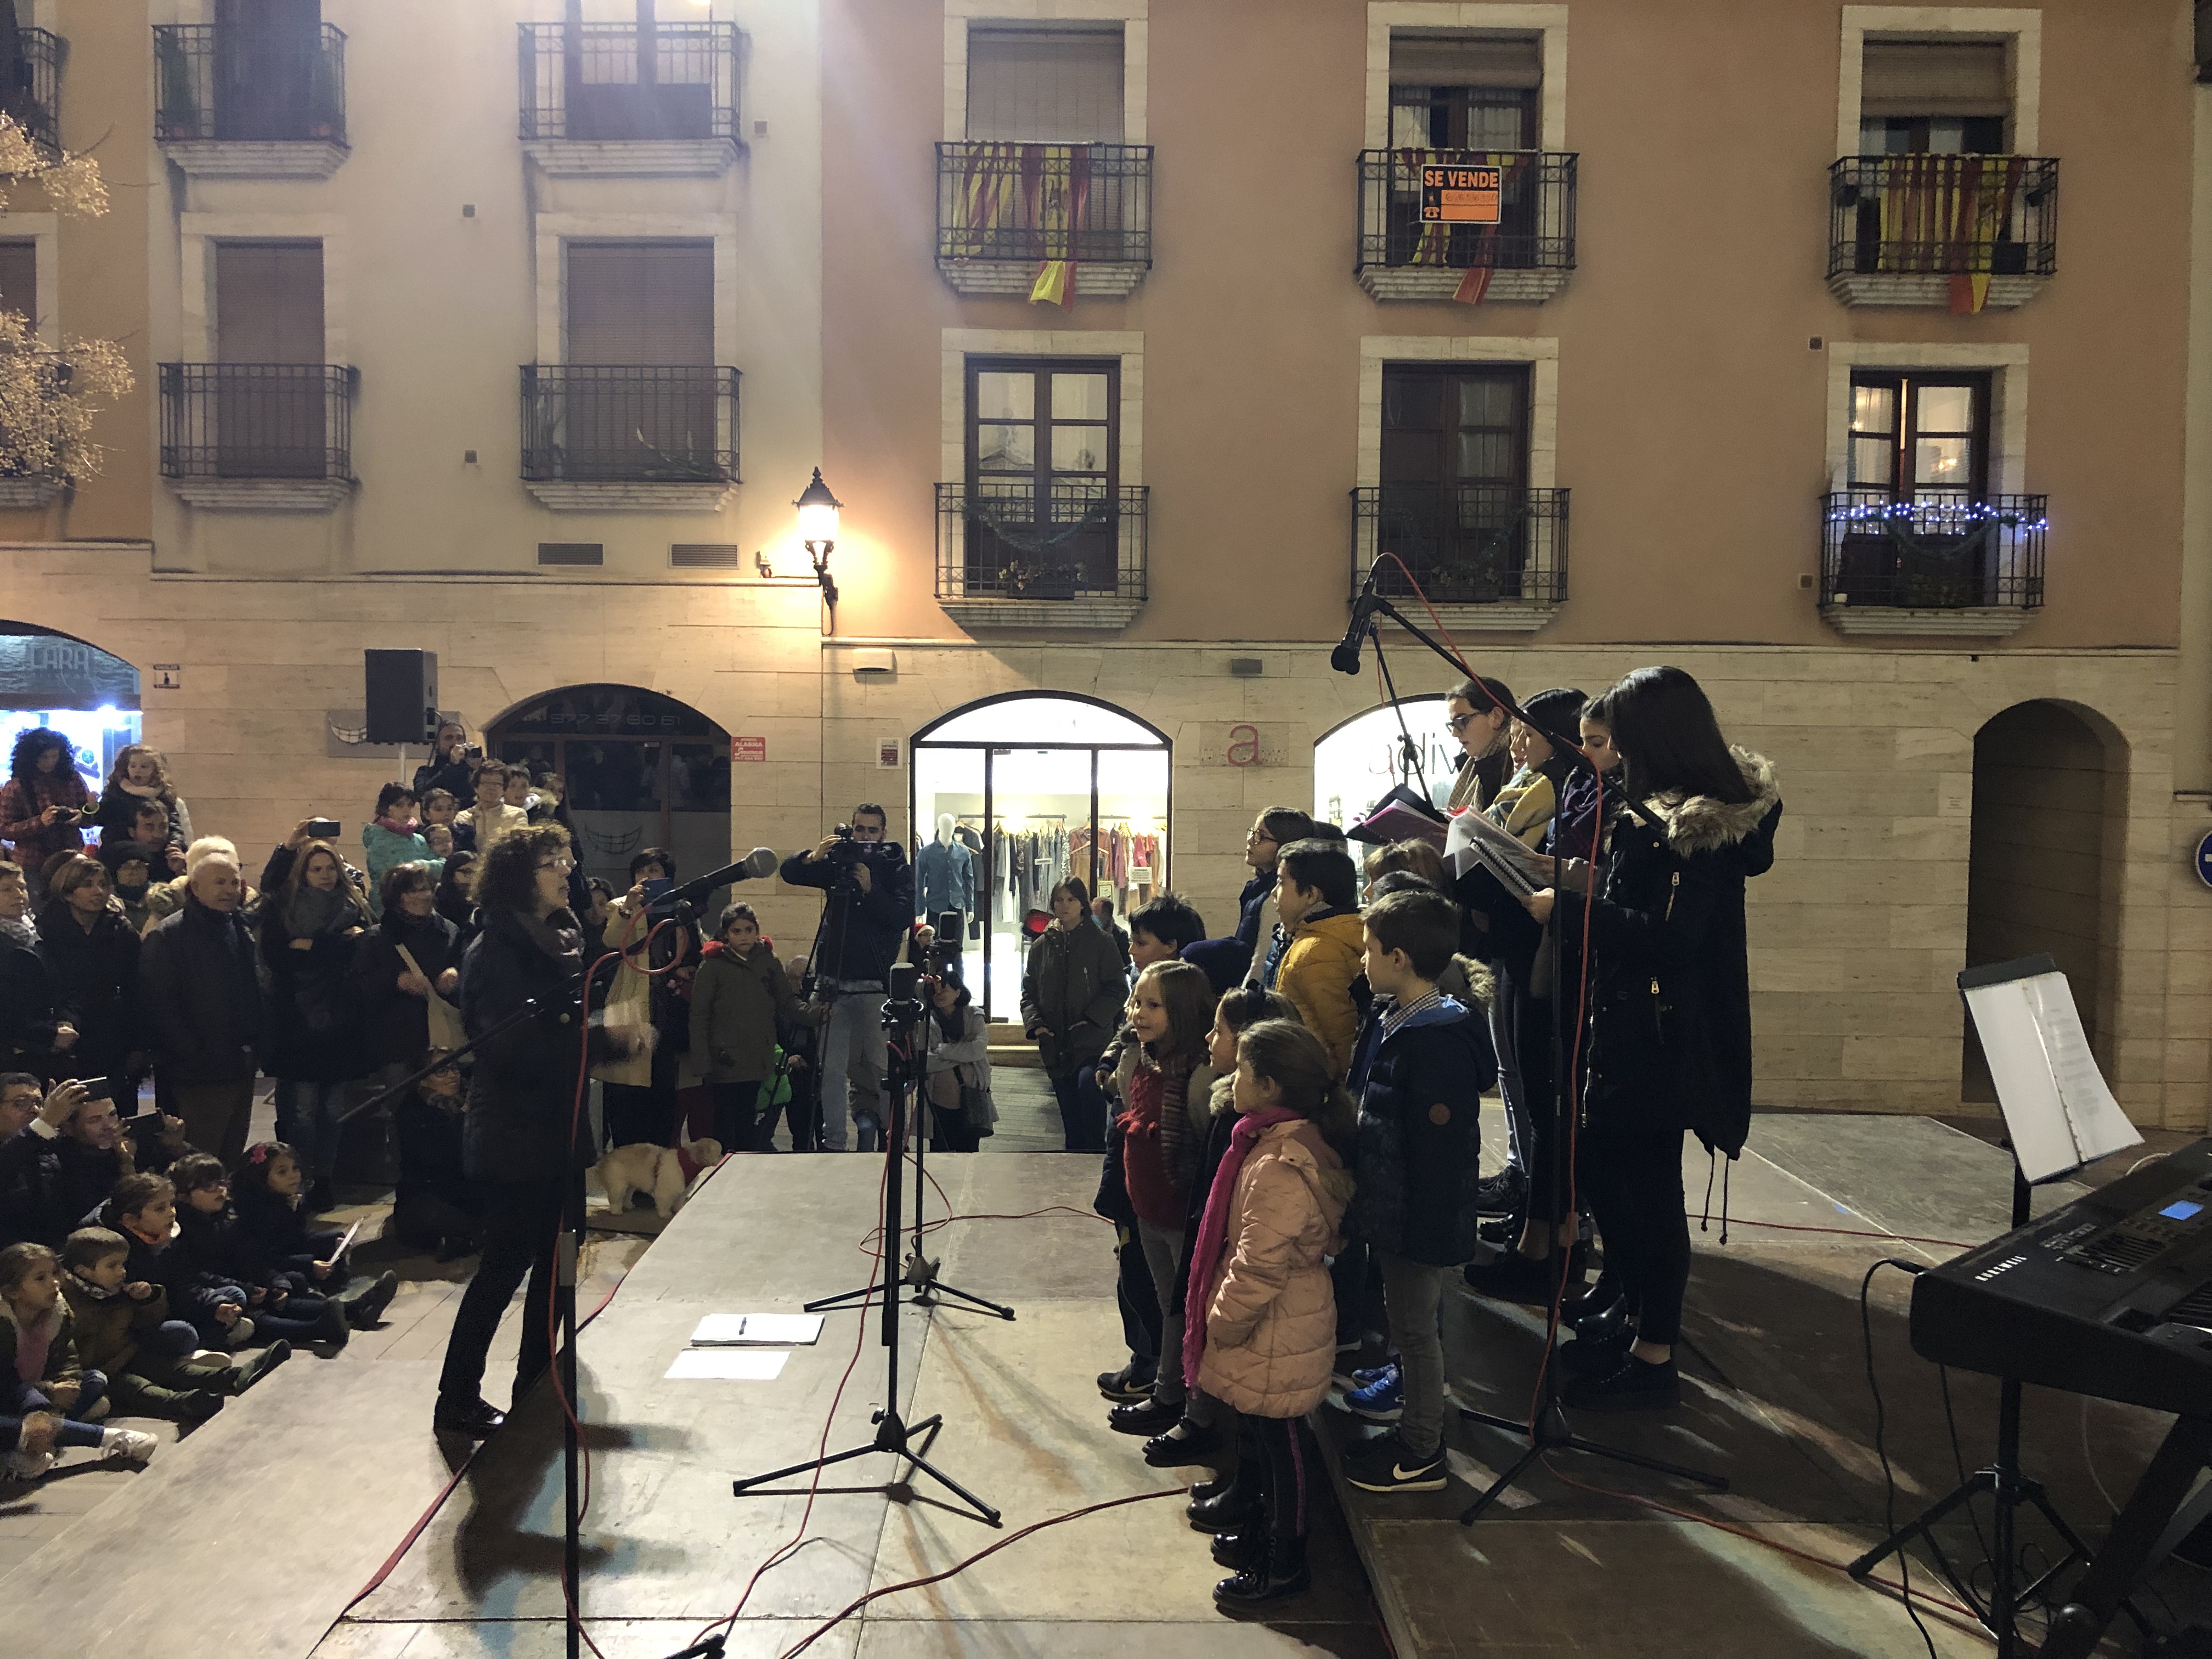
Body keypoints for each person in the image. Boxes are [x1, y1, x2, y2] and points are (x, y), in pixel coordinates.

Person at [1521, 666, 1781, 1412]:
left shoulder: (1698, 829)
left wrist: (1571, 910)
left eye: (1623, 737)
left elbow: (1671, 942)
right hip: (1623, 1023)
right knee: (1606, 1173)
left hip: (1661, 1038)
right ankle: (1629, 1306)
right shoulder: (1651, 813)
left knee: (1650, 1194)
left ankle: (1654, 1350)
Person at [435, 823, 632, 1438]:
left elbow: (562, 1028)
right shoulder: (495, 949)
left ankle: (536, 1375)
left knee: (558, 1262)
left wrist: (600, 1036)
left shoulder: (560, 938)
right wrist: (606, 1041)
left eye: (569, 858)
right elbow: (514, 1049)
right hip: (515, 1133)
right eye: (553, 862)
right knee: (505, 1266)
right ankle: (457, 1397)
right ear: (520, 876)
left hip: (559, 1127)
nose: (566, 870)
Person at [1188, 1019, 1355, 1607]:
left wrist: (1222, 1323)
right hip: (1282, 1321)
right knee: (1262, 1432)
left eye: (1242, 1072)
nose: (1231, 1077)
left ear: (1267, 1085)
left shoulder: (1280, 1165)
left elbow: (1260, 1266)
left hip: (1277, 1324)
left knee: (1283, 1446)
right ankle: (1262, 1533)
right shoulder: (1275, 1142)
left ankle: (1285, 1562)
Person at [1338, 886, 1496, 1493]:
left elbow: (1440, 1155)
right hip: (1394, 1210)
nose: (1363, 962)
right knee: (1408, 1328)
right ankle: (1414, 1429)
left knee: (1416, 1333)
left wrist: (1420, 1230)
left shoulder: (1436, 1041)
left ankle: (1422, 1449)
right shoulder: (1399, 1019)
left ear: (1399, 958)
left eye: (1369, 950)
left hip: (1416, 1221)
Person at [1102, 960, 1217, 1438]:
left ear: (1185, 1012)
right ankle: (1169, 1392)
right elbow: (1127, 1112)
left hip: (1181, 1214)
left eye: (1154, 1005)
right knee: (1169, 1305)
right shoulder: (1138, 1057)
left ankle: (1194, 1407)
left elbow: (1205, 1147)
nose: (1139, 1013)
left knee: (1189, 1311)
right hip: (1146, 1209)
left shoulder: (1197, 1076)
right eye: (1137, 1003)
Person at [777, 805, 913, 1154]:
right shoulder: (840, 862)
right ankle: (834, 1144)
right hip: (833, 984)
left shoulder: (894, 866)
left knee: (884, 1068)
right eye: (859, 829)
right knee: (832, 1072)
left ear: (883, 833)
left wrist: (870, 888)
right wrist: (811, 857)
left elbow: (900, 918)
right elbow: (789, 873)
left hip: (873, 985)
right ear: (851, 830)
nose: (864, 836)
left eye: (872, 830)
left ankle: (893, 1142)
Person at [258, 831, 373, 1211]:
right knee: (302, 1113)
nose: (324, 875)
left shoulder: (354, 906)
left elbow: (361, 953)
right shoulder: (283, 908)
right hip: (297, 1023)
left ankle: (323, 1179)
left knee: (332, 1113)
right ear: (302, 874)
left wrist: (313, 947)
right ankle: (297, 1179)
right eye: (316, 869)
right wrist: (335, 947)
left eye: (329, 868)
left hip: (340, 1023)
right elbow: (279, 958)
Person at [60, 1226, 276, 1425]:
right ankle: (182, 1402)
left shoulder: (114, 1288)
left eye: (123, 1264)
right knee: (137, 1388)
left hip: (128, 1353)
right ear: (84, 1271)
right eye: (112, 1266)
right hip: (101, 1369)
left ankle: (237, 1375)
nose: (122, 1271)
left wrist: (148, 1298)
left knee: (173, 1369)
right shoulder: (68, 1301)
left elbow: (148, 1322)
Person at [139, 850, 262, 1169]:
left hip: (238, 1061)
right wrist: (193, 1052)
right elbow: (160, 1007)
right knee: (197, 1160)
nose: (229, 890)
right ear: (194, 887)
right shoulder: (168, 936)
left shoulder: (239, 927)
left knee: (231, 1153)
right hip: (196, 1072)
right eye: (219, 882)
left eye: (234, 882)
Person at [0, 1241, 159, 1477]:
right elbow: (6, 1381)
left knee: (95, 1380)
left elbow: (68, 1356)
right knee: (21, 1423)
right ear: (13, 1291)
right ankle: (108, 1438)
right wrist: (45, 1397)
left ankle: (29, 1448)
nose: (54, 1283)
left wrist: (66, 1384)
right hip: (17, 1397)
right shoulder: (4, 1324)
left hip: (33, 1395)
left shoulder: (57, 1315)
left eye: (55, 1274)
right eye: (40, 1279)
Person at [170, 1153, 352, 1346]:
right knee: (256, 1316)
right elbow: (199, 1276)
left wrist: (273, 1281)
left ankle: (351, 1309)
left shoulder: (225, 1218)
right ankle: (319, 1328)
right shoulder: (184, 1231)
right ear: (183, 1196)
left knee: (280, 1295)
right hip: (216, 1294)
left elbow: (251, 1256)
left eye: (221, 1182)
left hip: (241, 1283)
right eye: (209, 1187)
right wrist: (246, 1288)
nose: (220, 1190)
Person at [592, 848, 696, 1150]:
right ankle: (628, 1168)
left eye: (653, 871)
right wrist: (630, 908)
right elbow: (612, 942)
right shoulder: (620, 906)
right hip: (633, 1005)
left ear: (667, 876)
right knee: (627, 1091)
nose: (646, 878)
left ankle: (657, 1174)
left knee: (664, 1094)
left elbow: (693, 947)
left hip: (670, 1007)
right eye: (640, 872)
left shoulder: (681, 907)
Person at [1021, 877, 1127, 1152]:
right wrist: (1038, 1025)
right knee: (1070, 1118)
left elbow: (1117, 988)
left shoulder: (1101, 943)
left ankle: (1094, 1172)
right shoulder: (1042, 946)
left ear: (1083, 904)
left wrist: (1092, 1018)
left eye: (1071, 899)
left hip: (1091, 1042)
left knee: (1089, 1099)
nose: (1064, 906)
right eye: (1059, 900)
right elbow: (1029, 991)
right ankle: (1072, 1178)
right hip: (1055, 1044)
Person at [689, 901, 804, 1154]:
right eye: (737, 931)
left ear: (757, 931)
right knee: (724, 1125)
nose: (744, 936)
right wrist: (702, 1062)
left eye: (749, 930)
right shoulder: (713, 966)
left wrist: (815, 1014)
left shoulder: (768, 962)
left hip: (756, 1059)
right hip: (725, 1061)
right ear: (726, 935)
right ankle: (722, 1181)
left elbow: (786, 1000)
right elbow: (699, 1016)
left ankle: (744, 1179)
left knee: (748, 1124)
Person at [35, 855, 142, 1092]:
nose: (99, 891)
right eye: (88, 885)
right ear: (68, 893)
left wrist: (139, 1045)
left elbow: (138, 989)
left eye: (103, 884)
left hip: (114, 1033)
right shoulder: (47, 930)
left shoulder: (121, 931)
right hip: (67, 1034)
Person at [357, 862, 464, 1091]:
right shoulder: (377, 937)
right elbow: (359, 986)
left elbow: (465, 966)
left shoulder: (450, 931)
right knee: (403, 1104)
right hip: (396, 1041)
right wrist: (395, 981)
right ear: (397, 896)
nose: (422, 896)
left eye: (426, 889)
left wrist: (455, 973)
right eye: (412, 891)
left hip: (442, 1038)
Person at [1271, 839, 1365, 1079]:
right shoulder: (1329, 936)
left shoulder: (1317, 951)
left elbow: (1344, 1041)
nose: (1274, 893)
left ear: (1311, 894)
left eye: (1282, 882)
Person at [0, 1079, 122, 1249]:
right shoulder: (19, 1148)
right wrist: (43, 1125)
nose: (35, 1110)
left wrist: (124, 1158)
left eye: (39, 1103)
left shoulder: (54, 1147)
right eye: (21, 1103)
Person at [391, 1055, 479, 1260]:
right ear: (422, 1079)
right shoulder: (412, 1112)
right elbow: (440, 1159)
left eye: (455, 1069)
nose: (452, 1075)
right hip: (428, 1193)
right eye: (442, 1071)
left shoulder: (469, 1103)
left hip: (464, 1189)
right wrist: (461, 1120)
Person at [0, 864, 73, 1080]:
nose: (19, 895)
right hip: (13, 1056)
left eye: (22, 888)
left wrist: (66, 1021)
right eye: (6, 889)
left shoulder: (37, 932)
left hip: (48, 1050)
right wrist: (48, 1035)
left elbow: (62, 985)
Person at [0, 728, 92, 891]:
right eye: (44, 757)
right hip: (33, 863)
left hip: (71, 858)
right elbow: (4, 829)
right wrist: (40, 822)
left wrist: (82, 816)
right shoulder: (15, 787)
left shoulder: (72, 778)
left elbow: (89, 815)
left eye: (55, 756)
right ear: (31, 758)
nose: (50, 762)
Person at [921, 971, 995, 1152]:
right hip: (939, 1104)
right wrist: (963, 1051)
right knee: (940, 1157)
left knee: (968, 1157)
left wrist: (943, 1050)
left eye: (944, 989)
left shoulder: (973, 1016)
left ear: (958, 992)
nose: (939, 994)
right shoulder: (927, 1021)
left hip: (972, 1100)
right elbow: (926, 1062)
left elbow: (977, 1050)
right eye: (935, 991)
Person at [88, 745, 191, 852]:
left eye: (144, 767)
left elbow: (174, 825)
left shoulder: (163, 795)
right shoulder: (115, 793)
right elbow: (100, 819)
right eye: (133, 766)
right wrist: (92, 807)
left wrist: (176, 843)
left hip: (156, 851)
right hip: (119, 851)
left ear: (154, 770)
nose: (137, 770)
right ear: (127, 768)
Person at [1443, 676, 1517, 812]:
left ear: (1496, 717)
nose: (1454, 732)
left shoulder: (1517, 763)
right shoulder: (1478, 764)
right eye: (1452, 724)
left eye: (1461, 721)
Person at [362, 784, 432, 919]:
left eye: (410, 805)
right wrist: (422, 867)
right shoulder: (378, 839)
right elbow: (391, 877)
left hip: (420, 902)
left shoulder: (419, 839)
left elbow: (439, 867)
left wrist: (422, 865)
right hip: (388, 906)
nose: (407, 809)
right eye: (399, 805)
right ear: (387, 808)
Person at [454, 760, 528, 851]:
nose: (491, 788)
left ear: (504, 789)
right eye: (486, 783)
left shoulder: (517, 815)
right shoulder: (463, 817)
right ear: (476, 788)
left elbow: (520, 847)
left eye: (497, 784)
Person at [95, 840, 160, 934]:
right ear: (116, 873)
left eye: (140, 866)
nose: (134, 872)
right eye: (126, 867)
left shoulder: (160, 897)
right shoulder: (107, 902)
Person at [412, 723, 477, 806]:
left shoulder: (471, 770)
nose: (455, 743)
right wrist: (452, 766)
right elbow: (421, 795)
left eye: (459, 738)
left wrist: (479, 769)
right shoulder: (425, 772)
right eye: (449, 738)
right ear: (437, 744)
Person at [1091, 896, 1132, 973]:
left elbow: (1126, 964)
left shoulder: (1120, 935)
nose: (1092, 915)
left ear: (1106, 914)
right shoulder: (1090, 931)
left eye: (1095, 912)